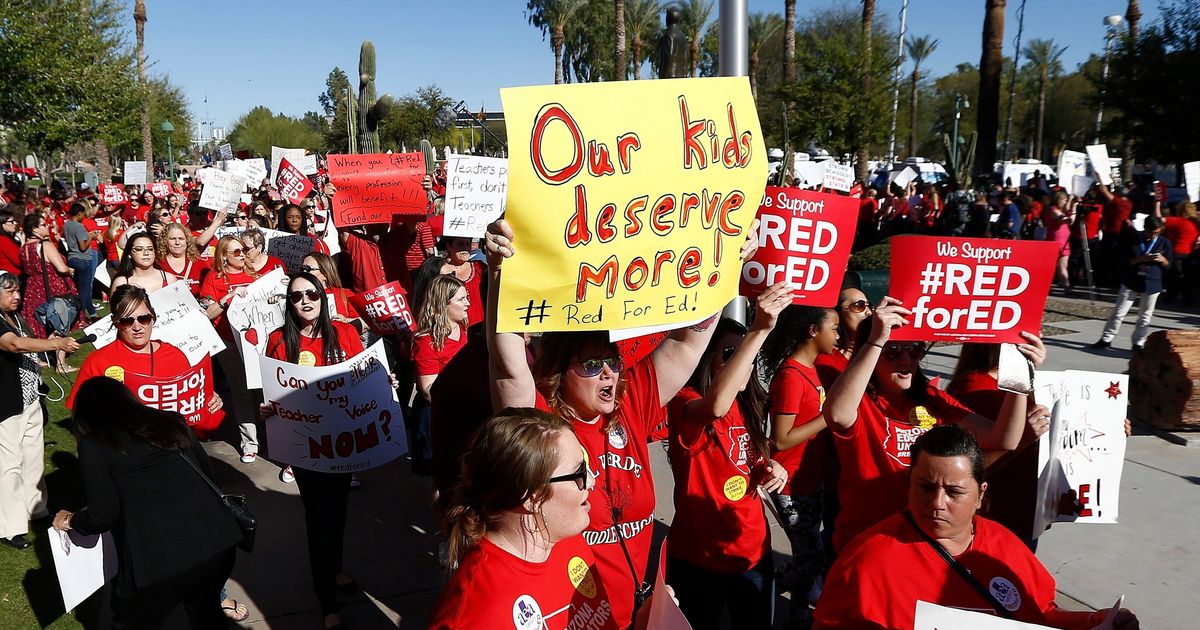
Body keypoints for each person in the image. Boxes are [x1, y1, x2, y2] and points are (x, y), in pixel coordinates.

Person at [484, 219, 744, 628]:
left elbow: (687, 341)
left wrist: (721, 269)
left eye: (611, 361)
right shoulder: (539, 423)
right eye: (590, 364)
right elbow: (508, 364)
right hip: (577, 614)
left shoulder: (631, 404)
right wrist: (500, 274)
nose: (607, 373)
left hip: (647, 606)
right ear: (557, 373)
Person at [813, 425, 1139, 630]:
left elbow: (1042, 615)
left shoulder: (1005, 546)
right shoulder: (868, 560)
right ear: (909, 486)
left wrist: (1096, 621)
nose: (937, 502)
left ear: (980, 494)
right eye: (925, 487)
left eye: (954, 492)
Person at [821, 297, 1046, 552]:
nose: (906, 360)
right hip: (869, 543)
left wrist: (1020, 372)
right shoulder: (858, 399)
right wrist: (876, 340)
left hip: (923, 544)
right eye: (893, 351)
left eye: (915, 349)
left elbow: (1003, 438)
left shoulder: (931, 398)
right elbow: (838, 415)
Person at [52, 377, 243, 630]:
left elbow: (103, 515)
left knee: (130, 622)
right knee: (206, 612)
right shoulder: (170, 421)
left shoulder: (94, 445)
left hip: (159, 562)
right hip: (219, 544)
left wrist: (70, 520)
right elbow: (208, 474)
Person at [430, 408, 624, 630]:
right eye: (579, 473)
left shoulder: (564, 538)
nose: (591, 481)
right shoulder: (477, 612)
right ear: (531, 497)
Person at [665, 292, 791, 630]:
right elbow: (715, 405)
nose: (744, 362)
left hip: (752, 553)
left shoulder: (747, 405)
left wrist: (770, 467)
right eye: (731, 353)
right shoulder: (685, 402)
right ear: (708, 361)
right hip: (698, 558)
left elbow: (748, 460)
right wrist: (759, 330)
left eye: (748, 354)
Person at [261, 272, 363, 629]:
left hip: (343, 441)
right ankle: (327, 603)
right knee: (319, 518)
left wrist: (383, 382)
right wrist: (269, 409)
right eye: (296, 297)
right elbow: (272, 392)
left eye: (311, 294)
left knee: (339, 512)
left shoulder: (345, 333)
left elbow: (361, 376)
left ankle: (333, 569)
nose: (305, 301)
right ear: (288, 304)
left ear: (322, 296)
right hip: (305, 445)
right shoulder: (278, 341)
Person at [761, 304, 840, 627]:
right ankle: (767, 588)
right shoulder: (792, 377)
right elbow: (780, 439)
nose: (837, 335)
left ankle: (795, 614)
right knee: (809, 561)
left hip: (812, 481)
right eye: (833, 328)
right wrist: (826, 417)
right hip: (791, 485)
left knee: (812, 559)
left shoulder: (813, 370)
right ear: (812, 331)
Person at [0, 273, 79, 549]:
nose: (17, 296)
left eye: (17, 291)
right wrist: (56, 344)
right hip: (6, 405)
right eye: (9, 292)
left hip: (30, 399)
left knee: (33, 457)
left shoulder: (17, 319)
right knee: (9, 465)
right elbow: (14, 344)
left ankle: (37, 510)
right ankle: (10, 528)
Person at [199, 236, 262, 463]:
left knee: (261, 391)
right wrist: (227, 298)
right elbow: (207, 313)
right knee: (241, 391)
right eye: (236, 252)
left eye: (244, 250)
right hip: (228, 342)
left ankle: (270, 437)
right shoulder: (213, 279)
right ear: (223, 256)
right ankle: (249, 443)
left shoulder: (256, 276)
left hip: (256, 343)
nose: (242, 254)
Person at [410, 275, 470, 476]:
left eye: (466, 297)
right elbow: (428, 391)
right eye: (461, 299)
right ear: (443, 303)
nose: (467, 304)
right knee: (442, 478)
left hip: (460, 411)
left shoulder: (462, 329)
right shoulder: (426, 341)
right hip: (436, 416)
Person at [1092, 215, 1172, 351]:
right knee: (1119, 312)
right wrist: (1141, 258)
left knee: (1145, 316)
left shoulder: (1164, 242)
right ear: (1145, 229)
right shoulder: (1133, 239)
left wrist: (1163, 259)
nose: (1153, 235)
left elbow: (1169, 265)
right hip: (1131, 280)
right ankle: (1106, 338)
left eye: (1157, 233)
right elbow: (1123, 261)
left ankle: (1138, 342)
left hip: (1152, 283)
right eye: (1151, 232)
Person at [19, 213, 79, 339]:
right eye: (43, 225)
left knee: (40, 321)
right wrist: (70, 270)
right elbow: (62, 269)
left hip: (33, 288)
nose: (47, 227)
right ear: (34, 229)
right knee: (59, 319)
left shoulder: (24, 248)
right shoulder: (45, 245)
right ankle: (59, 356)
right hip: (52, 285)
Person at [299, 251, 360, 324]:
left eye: (308, 269)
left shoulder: (344, 294)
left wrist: (346, 321)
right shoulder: (296, 295)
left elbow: (364, 322)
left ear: (325, 273)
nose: (304, 272)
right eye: (302, 269)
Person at [62, 202, 99, 319]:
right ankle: (80, 315)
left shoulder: (67, 225)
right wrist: (91, 237)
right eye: (83, 214)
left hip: (72, 257)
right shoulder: (79, 227)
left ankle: (91, 313)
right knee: (85, 290)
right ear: (79, 213)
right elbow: (83, 247)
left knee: (80, 288)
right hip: (83, 259)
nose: (84, 216)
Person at [438, 235, 486, 326]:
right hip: (451, 327)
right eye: (460, 244)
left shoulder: (480, 268)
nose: (465, 248)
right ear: (449, 246)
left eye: (468, 244)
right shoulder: (438, 270)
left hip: (479, 326)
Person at [110, 232, 179, 293]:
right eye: (139, 249)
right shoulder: (121, 283)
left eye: (150, 249)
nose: (146, 253)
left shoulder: (170, 280)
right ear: (129, 254)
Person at [158, 222, 206, 295]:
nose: (177, 242)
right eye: (172, 239)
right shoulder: (157, 264)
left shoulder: (200, 264)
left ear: (187, 241)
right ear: (165, 241)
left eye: (181, 238)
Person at [1043, 190, 1076, 293]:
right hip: (1054, 242)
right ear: (1059, 200)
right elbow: (1068, 220)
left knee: (1063, 266)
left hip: (1064, 242)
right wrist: (1073, 209)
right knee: (1050, 266)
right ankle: (1045, 286)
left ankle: (1067, 288)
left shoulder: (1061, 210)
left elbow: (1070, 218)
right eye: (1064, 200)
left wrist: (1071, 202)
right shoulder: (1052, 210)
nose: (1066, 202)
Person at [0, 211, 20, 275]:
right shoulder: (4, 240)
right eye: (11, 221)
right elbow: (19, 261)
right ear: (3, 224)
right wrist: (23, 243)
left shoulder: (6, 238)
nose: (15, 223)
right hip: (13, 276)